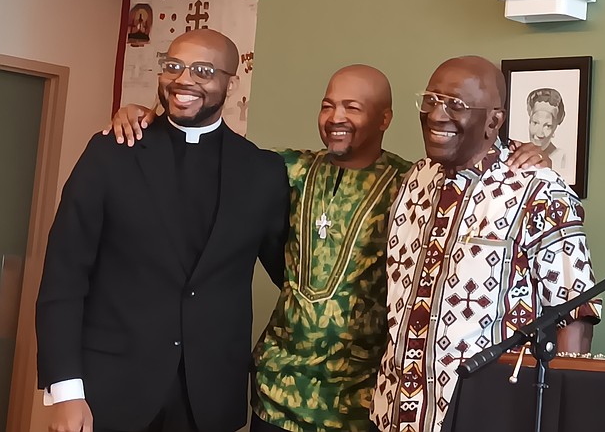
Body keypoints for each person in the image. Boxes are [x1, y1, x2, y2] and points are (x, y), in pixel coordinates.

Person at [106, 66, 552, 432]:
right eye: (327, 105)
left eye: (352, 108)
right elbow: (208, 149)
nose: (335, 117)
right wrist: (146, 118)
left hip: (359, 404)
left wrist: (528, 154)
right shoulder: (280, 169)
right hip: (275, 393)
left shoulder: (413, 183)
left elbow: (474, 163)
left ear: (385, 119)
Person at [37, 29, 290, 432]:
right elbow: (64, 277)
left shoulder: (263, 172)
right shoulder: (111, 152)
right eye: (173, 66)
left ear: (232, 81)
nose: (183, 79)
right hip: (107, 393)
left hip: (208, 401)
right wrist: (66, 391)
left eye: (203, 71)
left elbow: (291, 273)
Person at [371, 56, 602, 432]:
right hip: (395, 412)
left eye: (456, 105)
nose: (436, 115)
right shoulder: (414, 179)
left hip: (489, 414)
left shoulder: (540, 190)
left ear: (494, 121)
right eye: (430, 100)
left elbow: (575, 315)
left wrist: (558, 414)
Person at [526, 87, 571, 181]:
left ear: (555, 128)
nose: (539, 133)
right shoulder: (514, 153)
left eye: (547, 126)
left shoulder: (561, 157)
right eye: (535, 122)